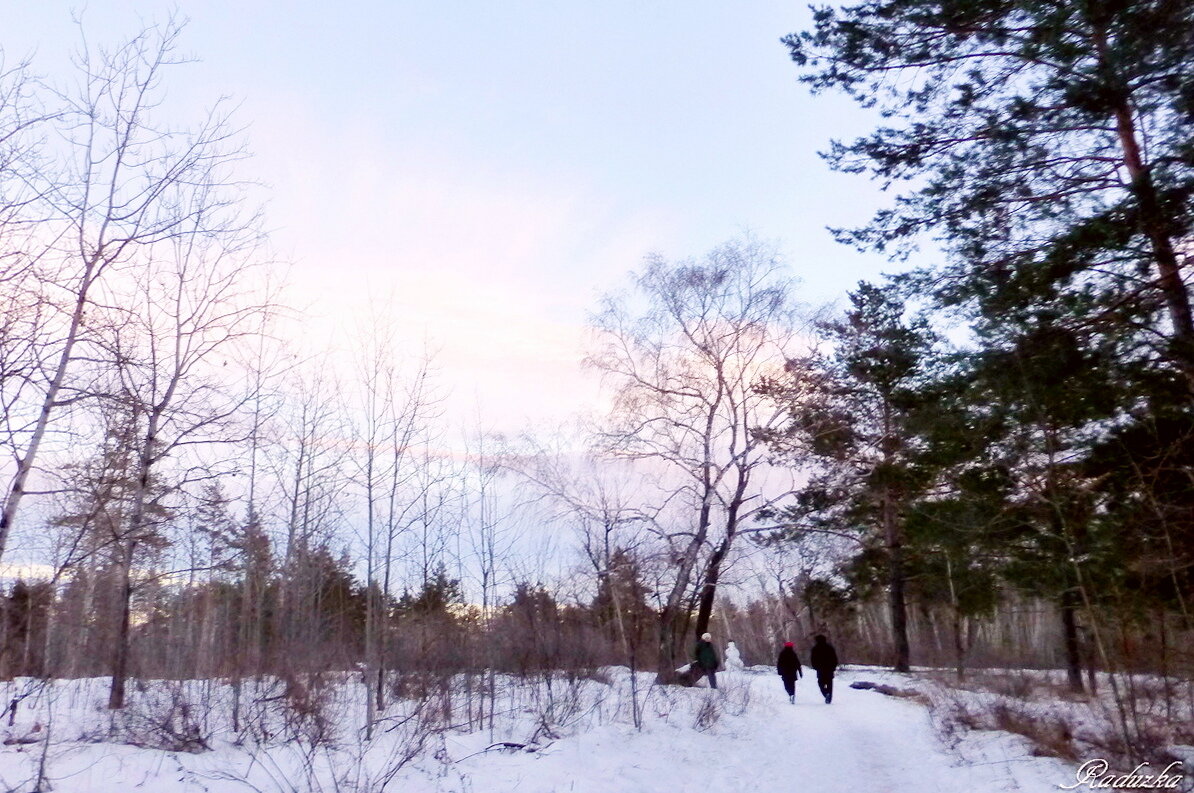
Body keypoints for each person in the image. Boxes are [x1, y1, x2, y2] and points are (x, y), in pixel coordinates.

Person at [810, 634, 839, 704]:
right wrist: (834, 666)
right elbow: (834, 658)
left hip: (820, 669)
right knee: (829, 683)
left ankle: (825, 693)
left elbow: (813, 659)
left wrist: (815, 666)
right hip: (829, 668)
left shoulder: (815, 649)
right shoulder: (830, 648)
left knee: (820, 683)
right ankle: (829, 697)